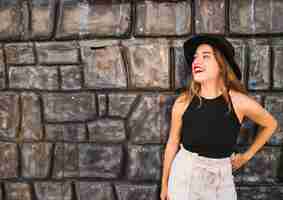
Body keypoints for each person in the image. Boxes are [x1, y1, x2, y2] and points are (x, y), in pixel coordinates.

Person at [160, 34, 278, 200]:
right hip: (185, 176)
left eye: (205, 56)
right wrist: (165, 185)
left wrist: (246, 156)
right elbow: (172, 143)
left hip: (222, 179)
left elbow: (271, 124)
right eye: (195, 57)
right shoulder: (183, 102)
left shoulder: (238, 101)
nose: (196, 62)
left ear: (221, 65)